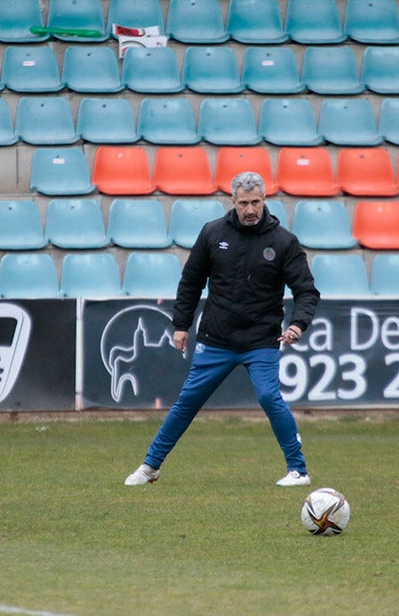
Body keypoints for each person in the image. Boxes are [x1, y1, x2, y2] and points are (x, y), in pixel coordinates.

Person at [125, 171, 321, 487]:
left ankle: (298, 470)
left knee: (270, 397)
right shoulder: (212, 234)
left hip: (261, 339)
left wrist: (298, 323)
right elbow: (190, 282)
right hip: (216, 339)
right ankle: (150, 467)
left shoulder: (283, 241)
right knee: (187, 402)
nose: (250, 210)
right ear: (233, 201)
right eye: (244, 203)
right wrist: (180, 325)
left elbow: (306, 290)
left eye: (255, 202)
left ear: (264, 199)